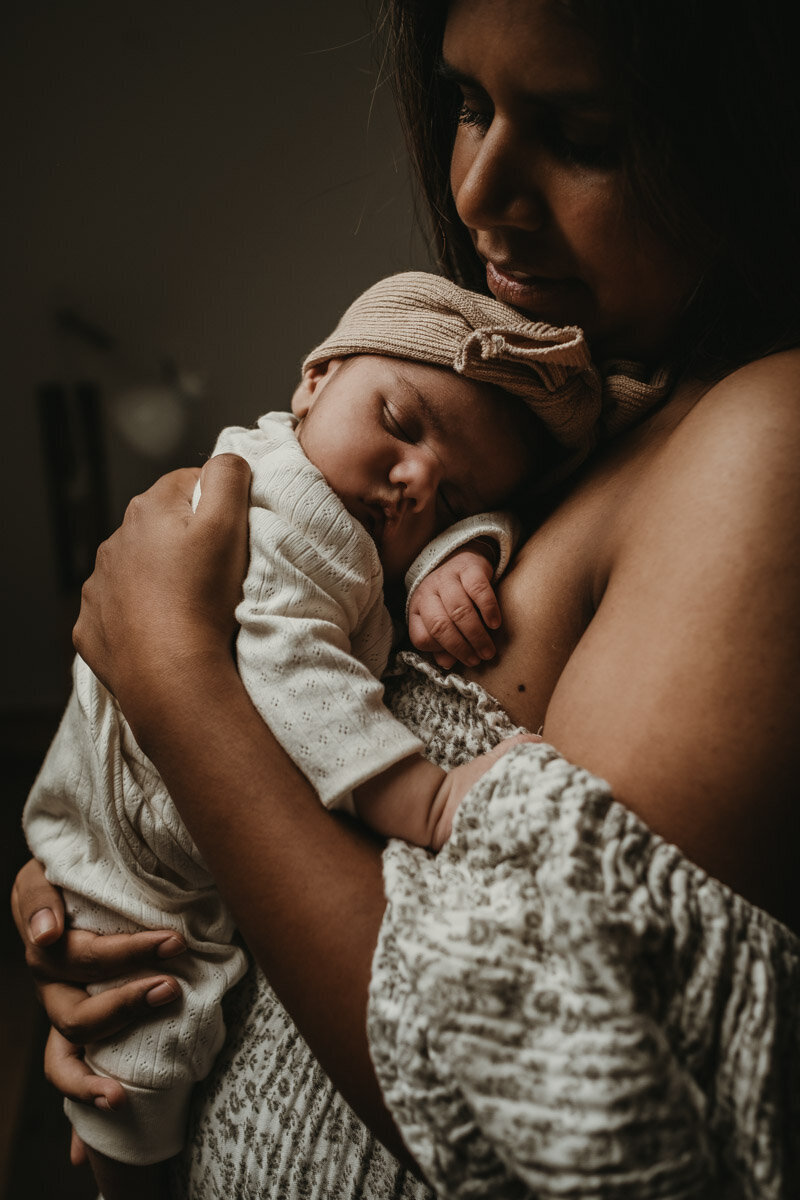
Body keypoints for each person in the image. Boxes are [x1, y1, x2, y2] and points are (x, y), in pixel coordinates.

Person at [13, 0, 800, 1197]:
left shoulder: (764, 444)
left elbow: (562, 1099)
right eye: (469, 103)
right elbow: (310, 836)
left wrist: (171, 681)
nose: (480, 188)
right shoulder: (556, 423)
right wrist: (120, 872)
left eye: (581, 133)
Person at [23, 269, 600, 1188]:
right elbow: (296, 673)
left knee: (145, 1033)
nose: (413, 482)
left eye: (450, 499)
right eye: (401, 426)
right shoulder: (298, 516)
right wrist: (429, 796)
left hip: (136, 810)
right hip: (148, 849)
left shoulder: (320, 495)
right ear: (315, 378)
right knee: (143, 1055)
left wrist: (464, 546)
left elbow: (388, 558)